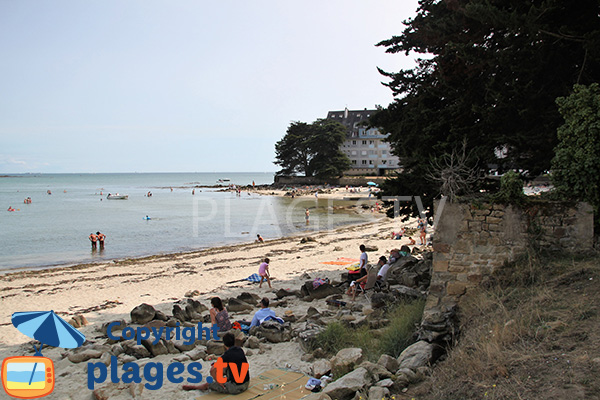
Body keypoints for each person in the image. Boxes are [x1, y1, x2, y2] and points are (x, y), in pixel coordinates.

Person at [182, 332, 249, 394]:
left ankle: (195, 387)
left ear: (224, 344)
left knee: (209, 384)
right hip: (246, 383)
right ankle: (228, 379)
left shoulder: (227, 355)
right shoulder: (239, 350)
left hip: (236, 388)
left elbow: (212, 371)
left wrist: (219, 382)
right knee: (226, 368)